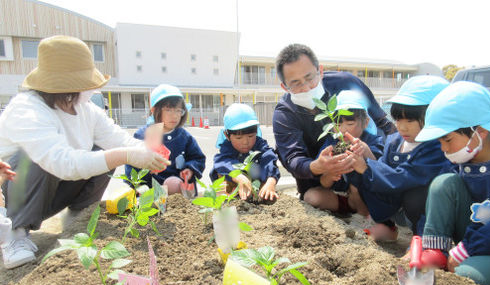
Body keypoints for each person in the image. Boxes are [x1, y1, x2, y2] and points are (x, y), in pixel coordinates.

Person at [0, 35, 169, 269]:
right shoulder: (27, 110)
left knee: (104, 151)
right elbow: (62, 163)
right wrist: (125, 156)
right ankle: (15, 236)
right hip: (13, 197)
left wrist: (148, 152)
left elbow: (116, 138)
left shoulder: (84, 108)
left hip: (53, 191)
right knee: (31, 158)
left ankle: (77, 220)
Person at [272, 43, 395, 214]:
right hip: (321, 176)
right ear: (285, 87)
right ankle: (349, 202)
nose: (306, 88)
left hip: (367, 169)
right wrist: (319, 166)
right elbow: (293, 159)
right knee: (312, 195)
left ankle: (370, 198)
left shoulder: (346, 84)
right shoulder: (285, 114)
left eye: (310, 78)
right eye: (296, 83)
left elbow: (383, 123)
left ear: (320, 71)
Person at [415, 81, 490, 285]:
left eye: (448, 140)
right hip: (471, 236)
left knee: (468, 277)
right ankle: (436, 252)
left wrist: (466, 249)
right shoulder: (461, 161)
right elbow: (435, 206)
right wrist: (422, 239)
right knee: (444, 183)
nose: (443, 148)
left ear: (480, 132)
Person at [346, 76, 450, 241]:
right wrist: (366, 157)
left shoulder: (437, 147)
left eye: (410, 120)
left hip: (424, 213)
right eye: (398, 119)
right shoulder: (395, 141)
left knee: (415, 196)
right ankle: (387, 226)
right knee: (364, 179)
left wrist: (366, 166)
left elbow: (404, 177)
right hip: (396, 206)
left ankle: (423, 240)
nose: (402, 127)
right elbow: (384, 172)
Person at [125, 84, 206, 195]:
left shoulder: (184, 137)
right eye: (168, 110)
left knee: (173, 183)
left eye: (178, 111)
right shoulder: (142, 136)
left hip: (180, 190)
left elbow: (198, 158)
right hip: (150, 190)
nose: (175, 116)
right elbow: (131, 165)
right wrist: (139, 186)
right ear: (154, 110)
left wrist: (190, 169)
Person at [318, 90, 384, 216]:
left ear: (365, 122)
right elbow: (324, 183)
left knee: (355, 186)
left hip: (367, 197)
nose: (342, 130)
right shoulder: (331, 144)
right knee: (312, 197)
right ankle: (347, 209)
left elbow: (380, 170)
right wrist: (330, 174)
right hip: (342, 196)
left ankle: (363, 213)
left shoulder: (373, 141)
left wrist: (364, 149)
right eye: (337, 124)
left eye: (350, 123)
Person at [210, 103, 280, 202]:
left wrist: (271, 181)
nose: (245, 142)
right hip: (234, 184)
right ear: (227, 135)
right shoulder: (227, 147)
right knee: (219, 172)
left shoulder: (260, 145)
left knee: (263, 171)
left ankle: (261, 195)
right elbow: (222, 161)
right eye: (239, 138)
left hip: (255, 184)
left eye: (251, 136)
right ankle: (227, 198)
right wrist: (237, 176)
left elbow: (268, 158)